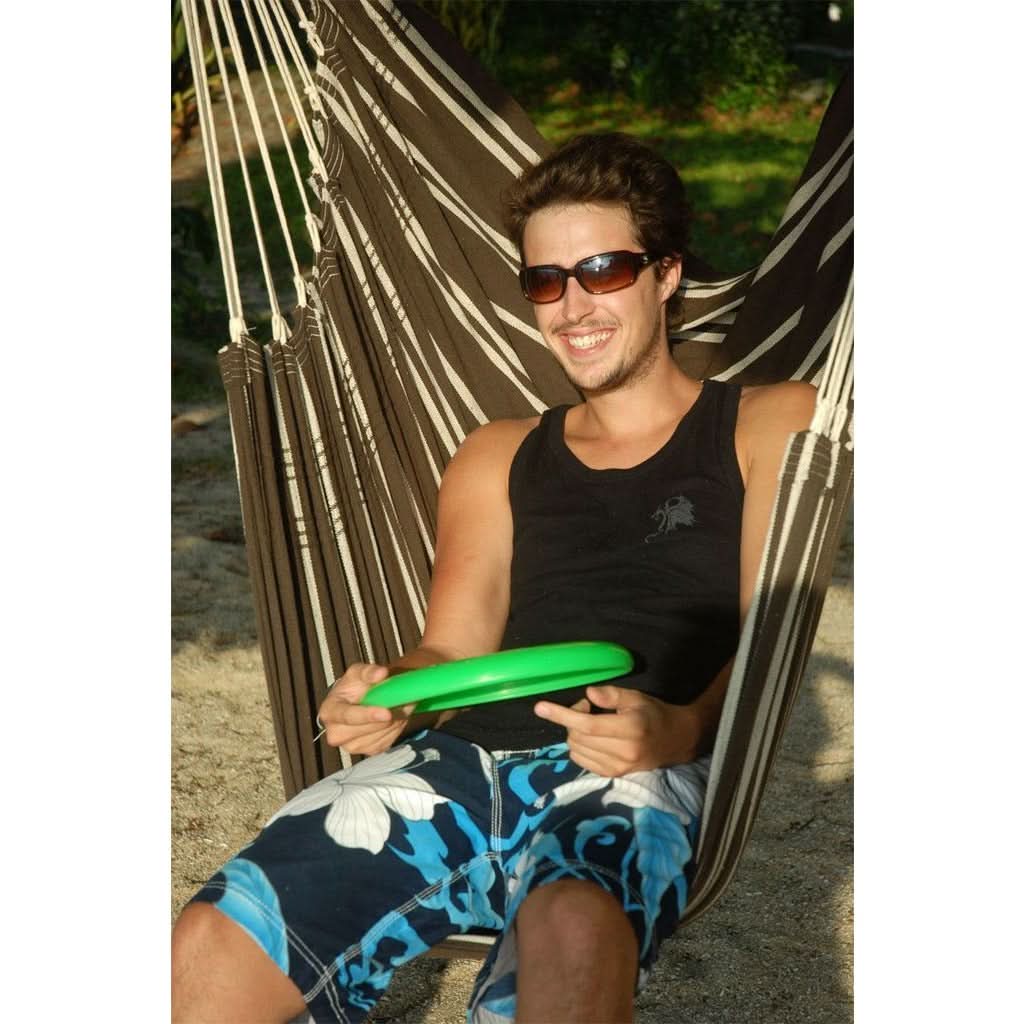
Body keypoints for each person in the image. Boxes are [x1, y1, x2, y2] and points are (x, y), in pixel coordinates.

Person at [171, 132, 815, 1024]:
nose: (572, 306)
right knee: (209, 943)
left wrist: (683, 728)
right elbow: (451, 646)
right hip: (457, 765)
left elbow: (764, 635)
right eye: (546, 281)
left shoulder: (768, 424)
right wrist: (393, 693)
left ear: (667, 274)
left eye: (604, 270)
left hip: (627, 770)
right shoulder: (496, 454)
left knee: (573, 934)